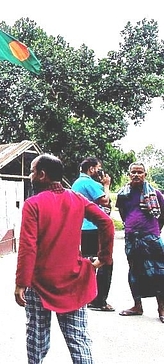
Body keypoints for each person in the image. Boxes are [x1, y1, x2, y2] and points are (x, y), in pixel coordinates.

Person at [15, 154, 114, 363]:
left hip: (38, 283)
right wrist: (103, 258)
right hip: (72, 280)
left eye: (32, 171)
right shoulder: (76, 199)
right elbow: (106, 222)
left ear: (42, 175)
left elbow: (28, 247)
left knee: (36, 336)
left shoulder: (33, 204)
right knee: (78, 339)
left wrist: (21, 283)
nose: (30, 176)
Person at [115, 161, 164, 322]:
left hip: (151, 237)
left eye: (139, 172)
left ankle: (162, 308)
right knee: (134, 271)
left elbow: (161, 214)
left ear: (145, 175)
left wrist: (156, 230)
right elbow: (123, 212)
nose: (136, 175)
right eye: (133, 172)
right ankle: (137, 306)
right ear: (129, 175)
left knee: (159, 272)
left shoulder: (155, 194)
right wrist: (130, 225)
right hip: (132, 237)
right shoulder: (123, 194)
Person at [71, 157, 115, 312]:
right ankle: (99, 300)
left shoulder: (76, 183)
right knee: (105, 261)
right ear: (91, 169)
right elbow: (105, 201)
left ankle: (86, 296)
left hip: (82, 227)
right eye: (98, 168)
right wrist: (106, 185)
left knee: (88, 261)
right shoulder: (89, 183)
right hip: (94, 227)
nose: (99, 171)